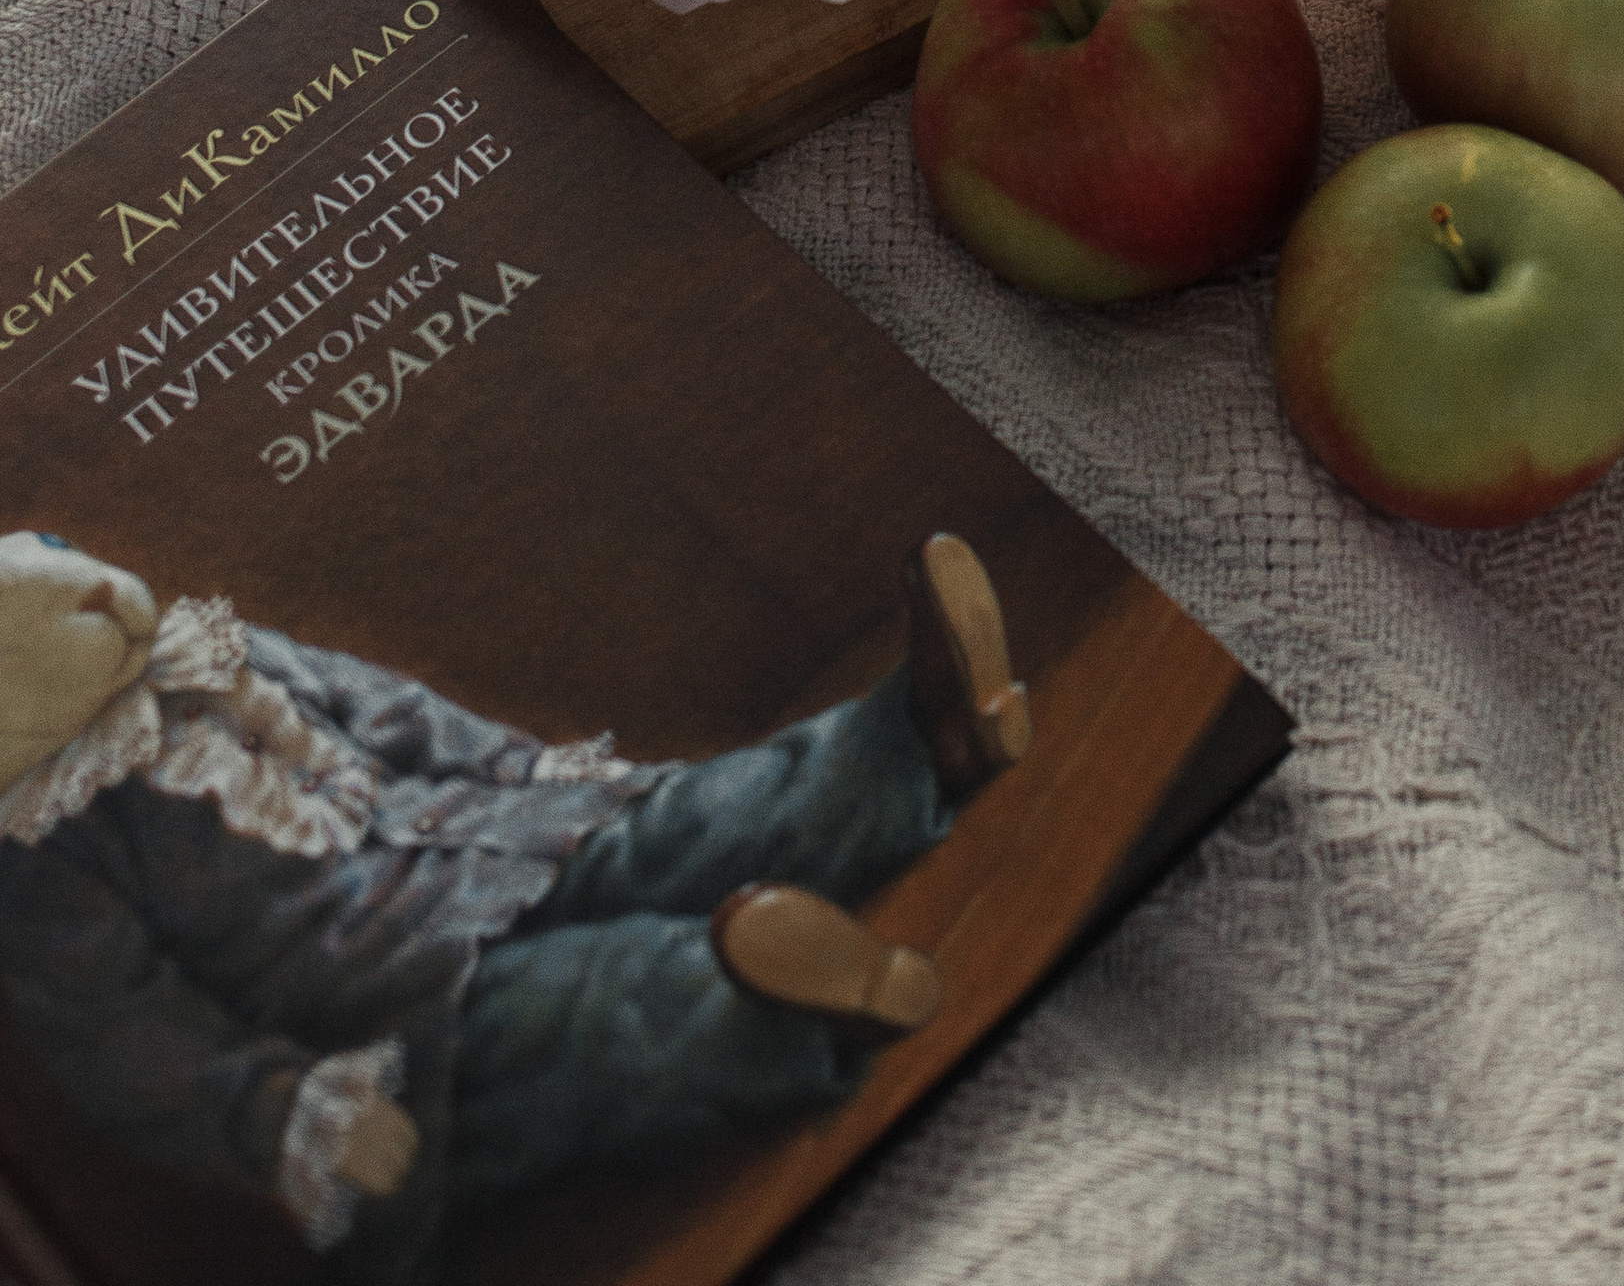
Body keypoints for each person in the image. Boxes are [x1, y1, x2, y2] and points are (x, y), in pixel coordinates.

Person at [0, 524, 1032, 1279]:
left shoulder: (211, 655)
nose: (94, 594)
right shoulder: (46, 853)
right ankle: (785, 1005)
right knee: (586, 1003)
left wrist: (527, 773)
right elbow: (128, 1041)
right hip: (405, 1005)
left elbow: (394, 714)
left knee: (679, 823)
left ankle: (912, 739)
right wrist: (280, 1110)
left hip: (492, 845)